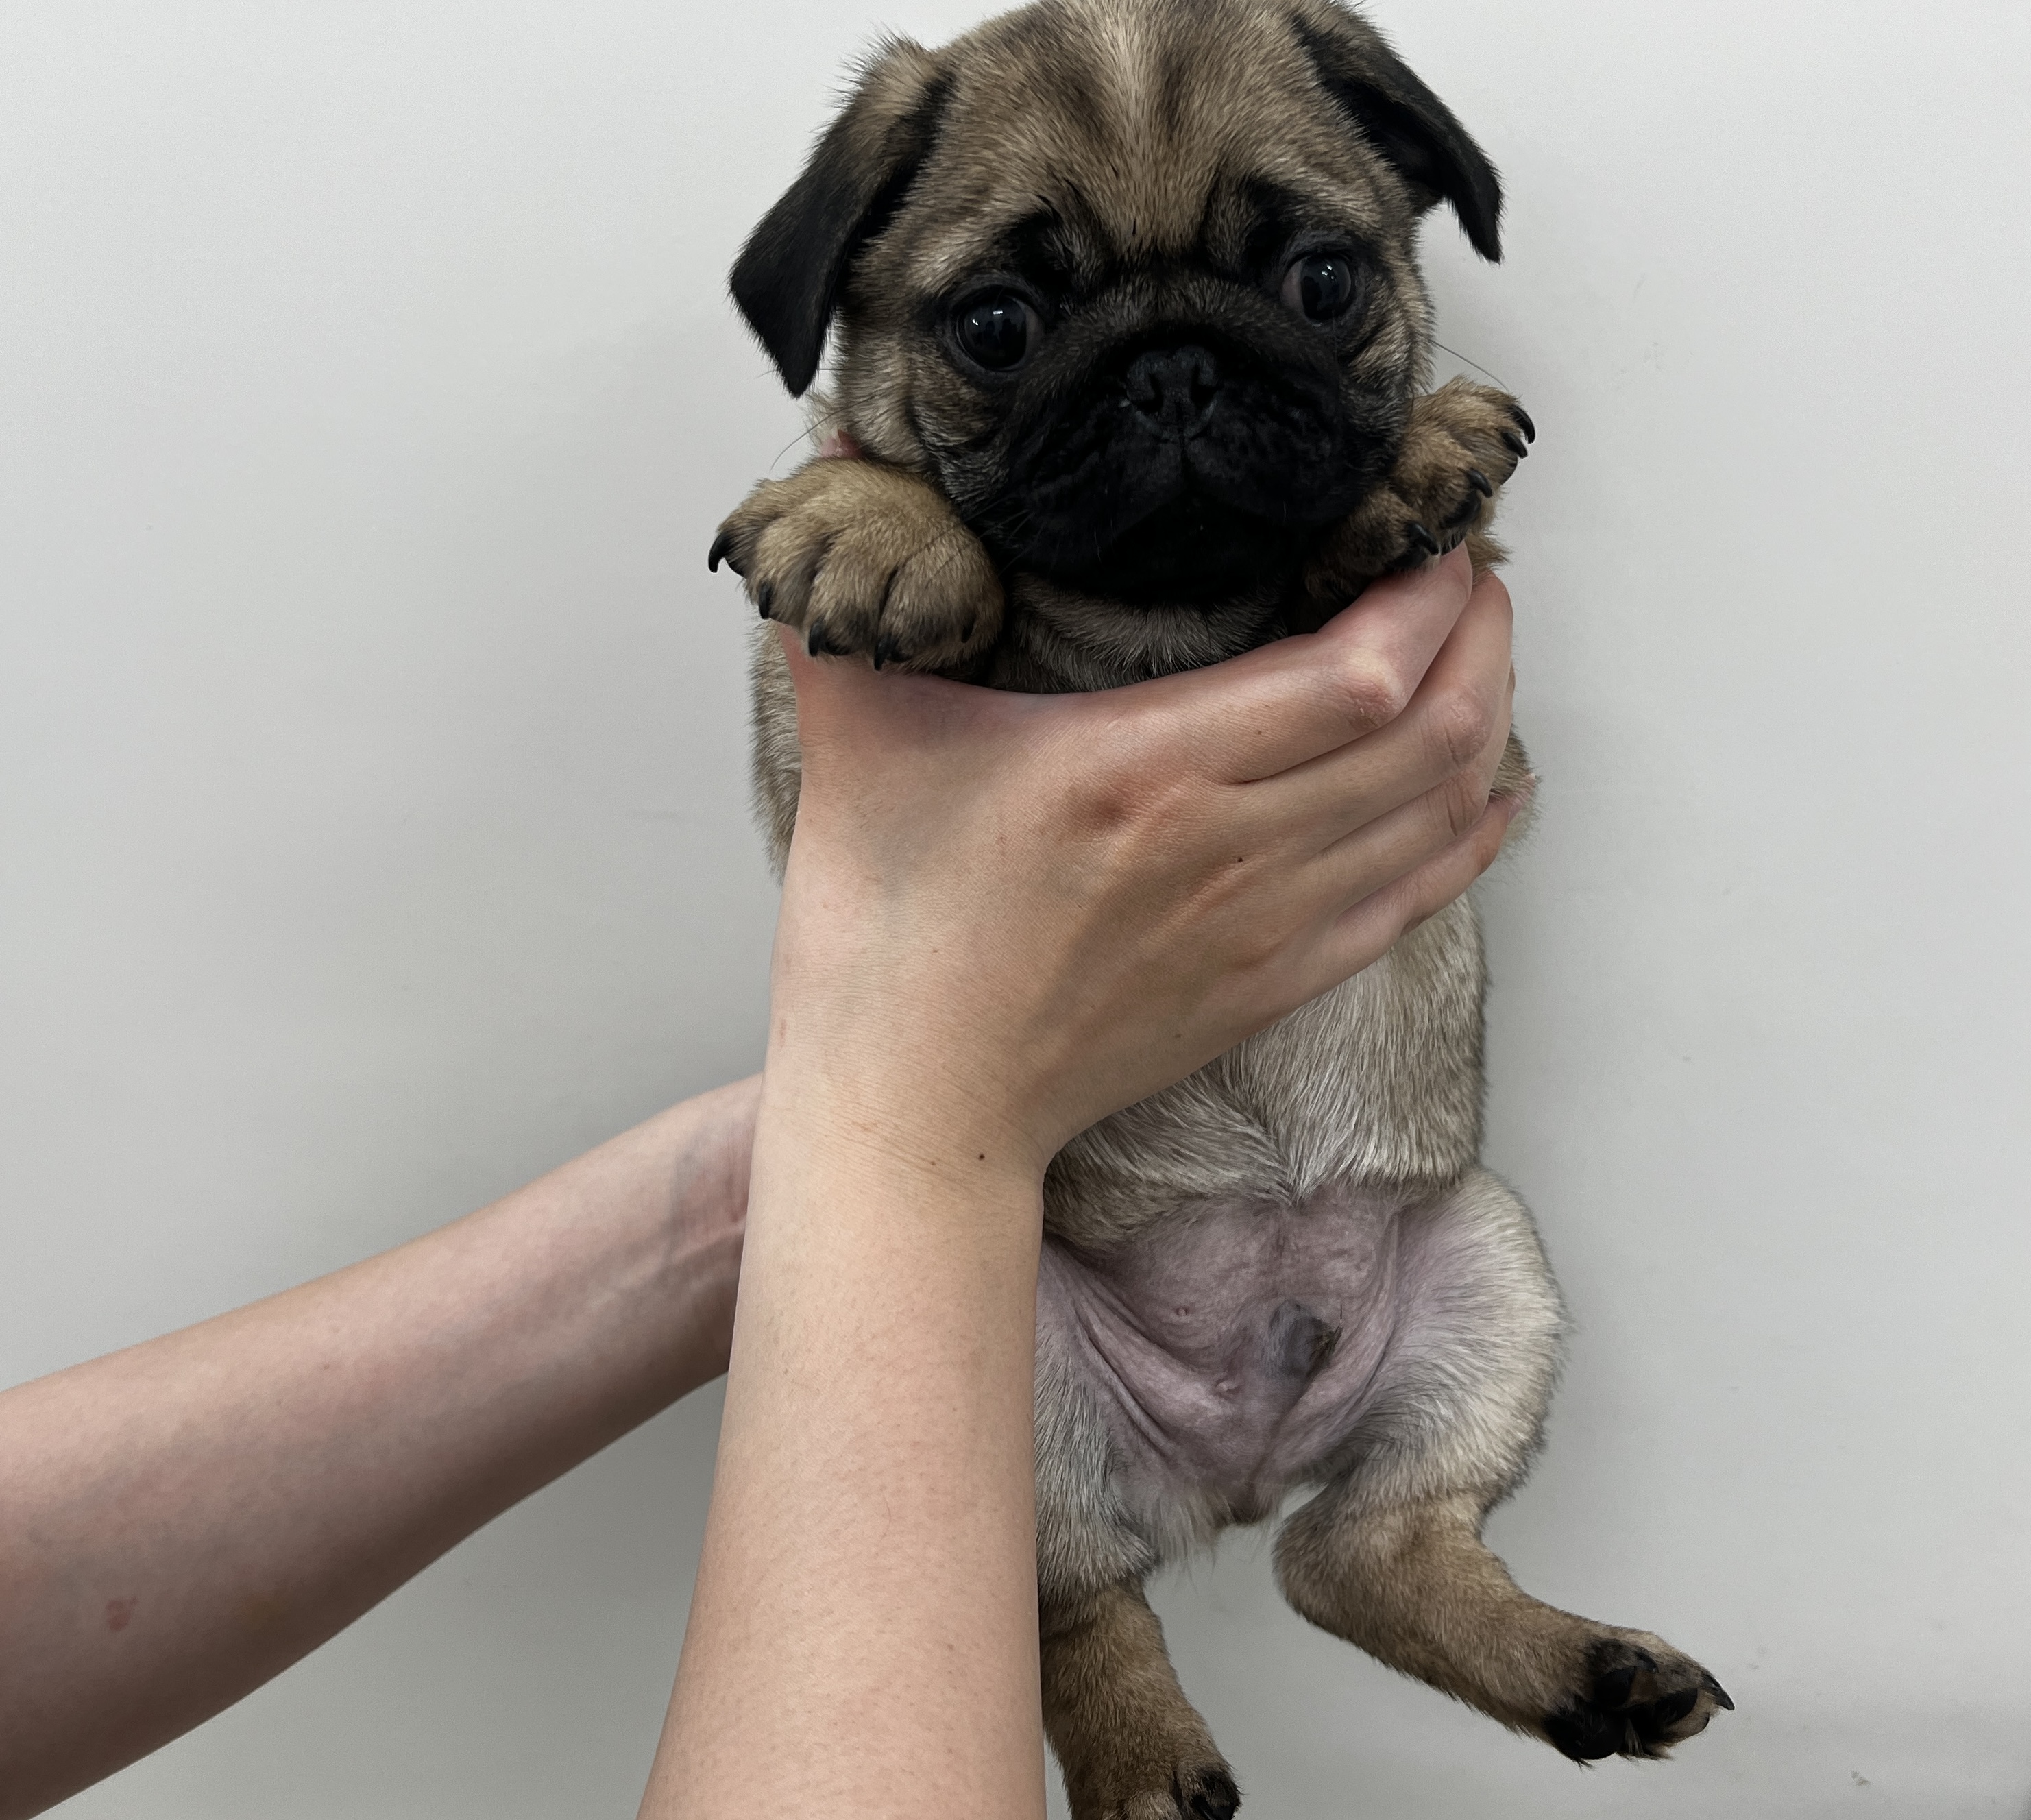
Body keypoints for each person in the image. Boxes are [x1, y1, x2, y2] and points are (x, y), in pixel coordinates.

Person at [0, 548, 1520, 1820]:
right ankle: (1100, 1663)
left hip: (1349, 1238)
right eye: (997, 323)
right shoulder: (887, 538)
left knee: (1482, 1272)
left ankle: (1397, 1549)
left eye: (1321, 299)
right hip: (1094, 1294)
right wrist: (914, 1115)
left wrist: (840, 1136)